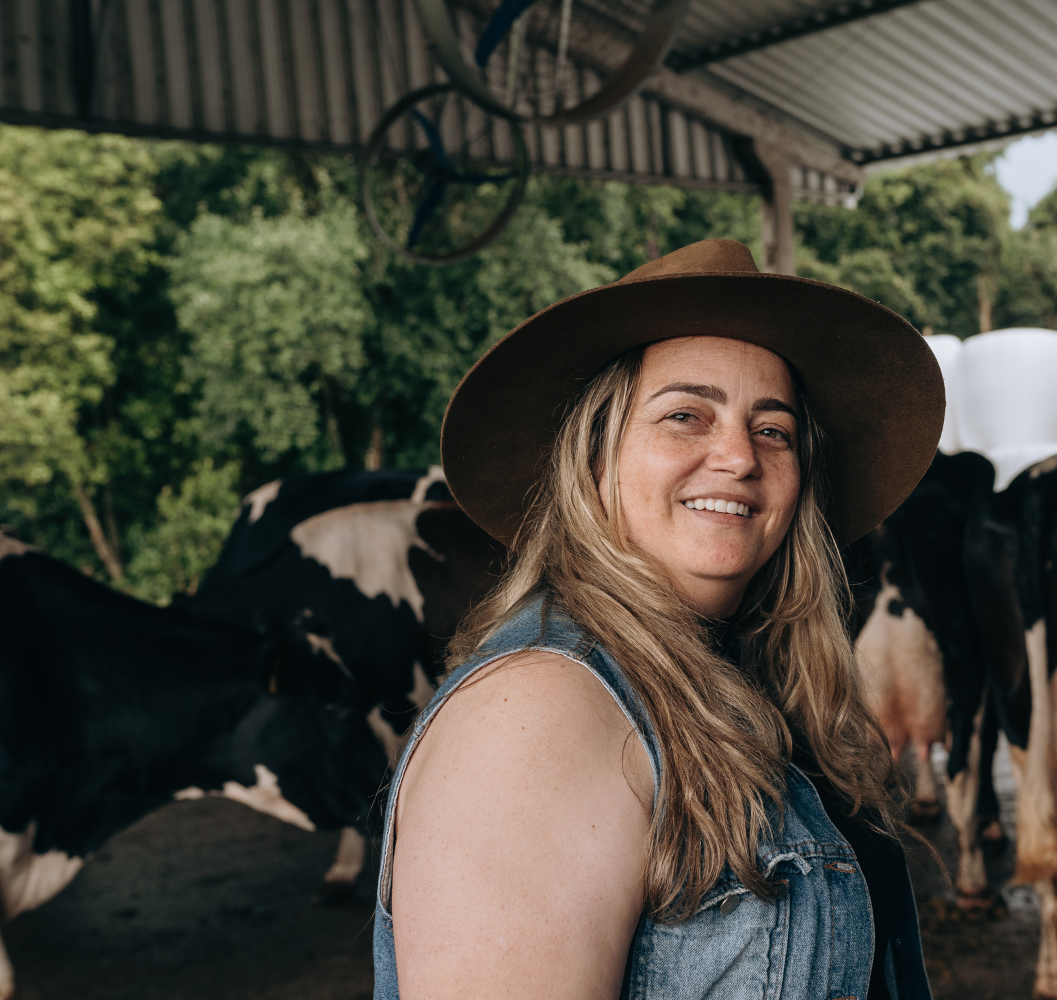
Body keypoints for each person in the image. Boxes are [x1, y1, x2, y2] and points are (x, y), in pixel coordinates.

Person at [373, 239, 946, 1000]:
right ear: (595, 460)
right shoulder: (536, 719)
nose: (740, 456)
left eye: (772, 429)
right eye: (685, 415)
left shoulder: (750, 680)